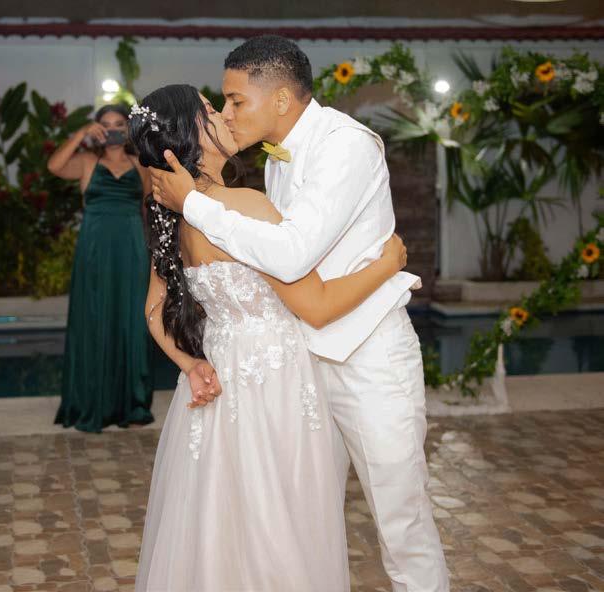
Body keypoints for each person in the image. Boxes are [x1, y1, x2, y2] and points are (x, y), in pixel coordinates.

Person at [149, 36, 449, 592]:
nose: (227, 113)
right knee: (305, 520)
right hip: (298, 366)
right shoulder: (274, 163)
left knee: (401, 519)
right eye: (222, 103)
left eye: (236, 101)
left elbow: (289, 255)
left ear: (282, 99)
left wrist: (191, 202)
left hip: (366, 356)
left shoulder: (345, 146)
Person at [47, 104, 154, 432]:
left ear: (128, 128)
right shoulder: (86, 162)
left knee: (131, 322)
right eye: (105, 125)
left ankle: (132, 405)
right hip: (94, 252)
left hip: (131, 251)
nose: (112, 130)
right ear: (97, 129)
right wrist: (80, 134)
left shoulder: (140, 165)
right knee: (93, 318)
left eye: (119, 124)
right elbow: (54, 166)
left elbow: (148, 207)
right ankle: (90, 402)